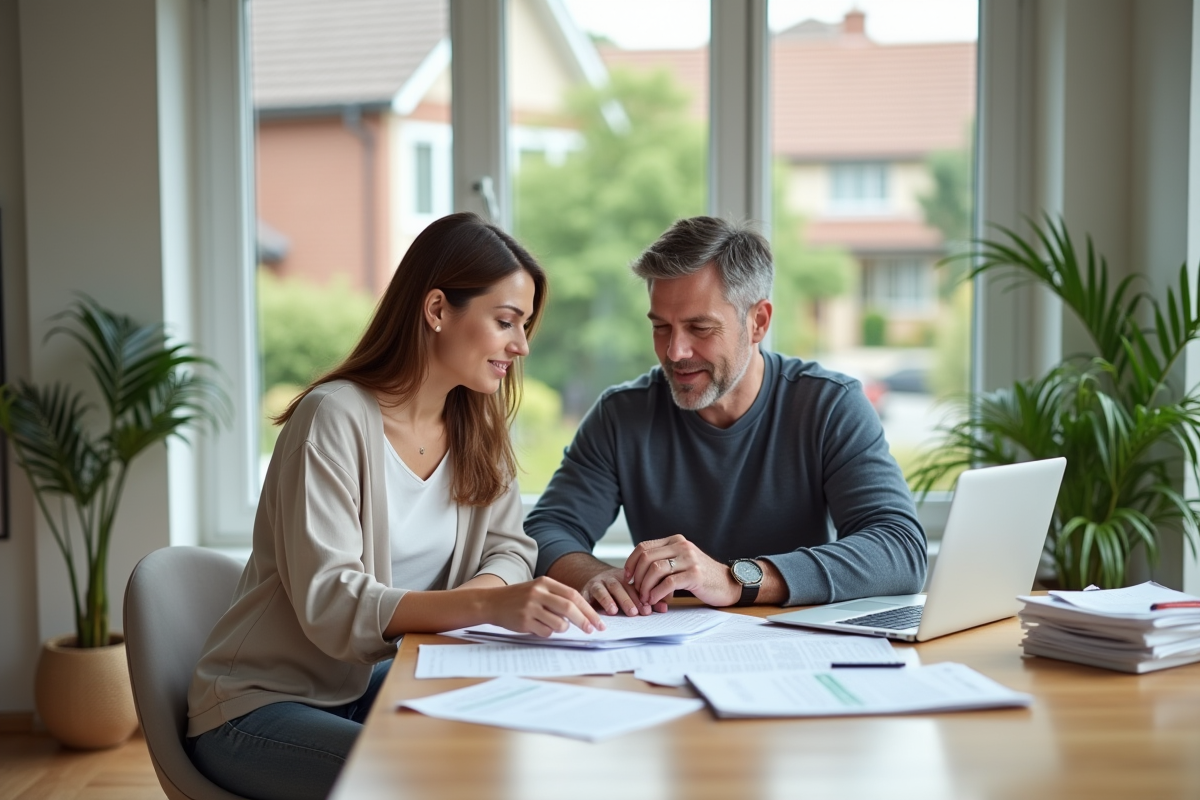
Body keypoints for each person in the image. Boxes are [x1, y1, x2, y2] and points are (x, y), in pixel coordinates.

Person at [187, 212, 602, 800]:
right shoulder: (332, 419)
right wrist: (485, 603)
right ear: (436, 310)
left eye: (525, 325)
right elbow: (333, 603)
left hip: (369, 685)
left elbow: (510, 547)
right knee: (425, 778)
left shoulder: (476, 420)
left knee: (518, 743)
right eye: (506, 321)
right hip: (260, 706)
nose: (522, 345)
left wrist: (490, 593)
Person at [524, 216, 926, 617]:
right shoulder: (622, 415)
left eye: (700, 328)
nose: (675, 351)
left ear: (758, 322)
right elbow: (545, 532)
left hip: (794, 651)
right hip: (662, 650)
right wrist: (594, 575)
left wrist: (735, 579)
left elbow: (898, 549)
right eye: (661, 327)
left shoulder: (829, 405)